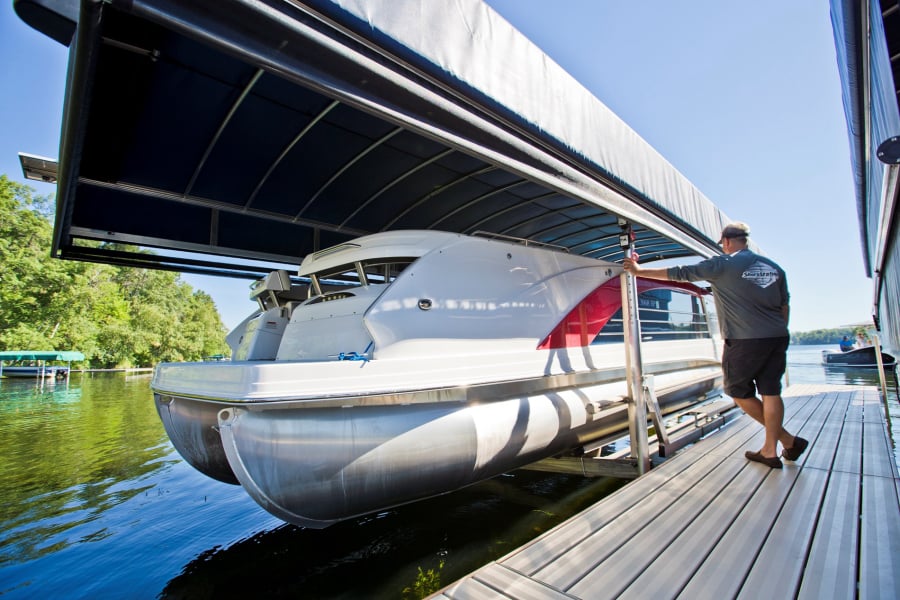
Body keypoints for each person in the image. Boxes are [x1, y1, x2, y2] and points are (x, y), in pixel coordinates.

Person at [623, 222, 807, 469]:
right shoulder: (774, 268)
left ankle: (781, 443)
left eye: (722, 244)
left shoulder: (723, 264)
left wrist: (637, 271)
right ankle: (774, 448)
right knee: (771, 392)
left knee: (737, 392)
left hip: (744, 340)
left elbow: (681, 272)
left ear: (727, 241)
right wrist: (775, 329)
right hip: (776, 336)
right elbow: (785, 306)